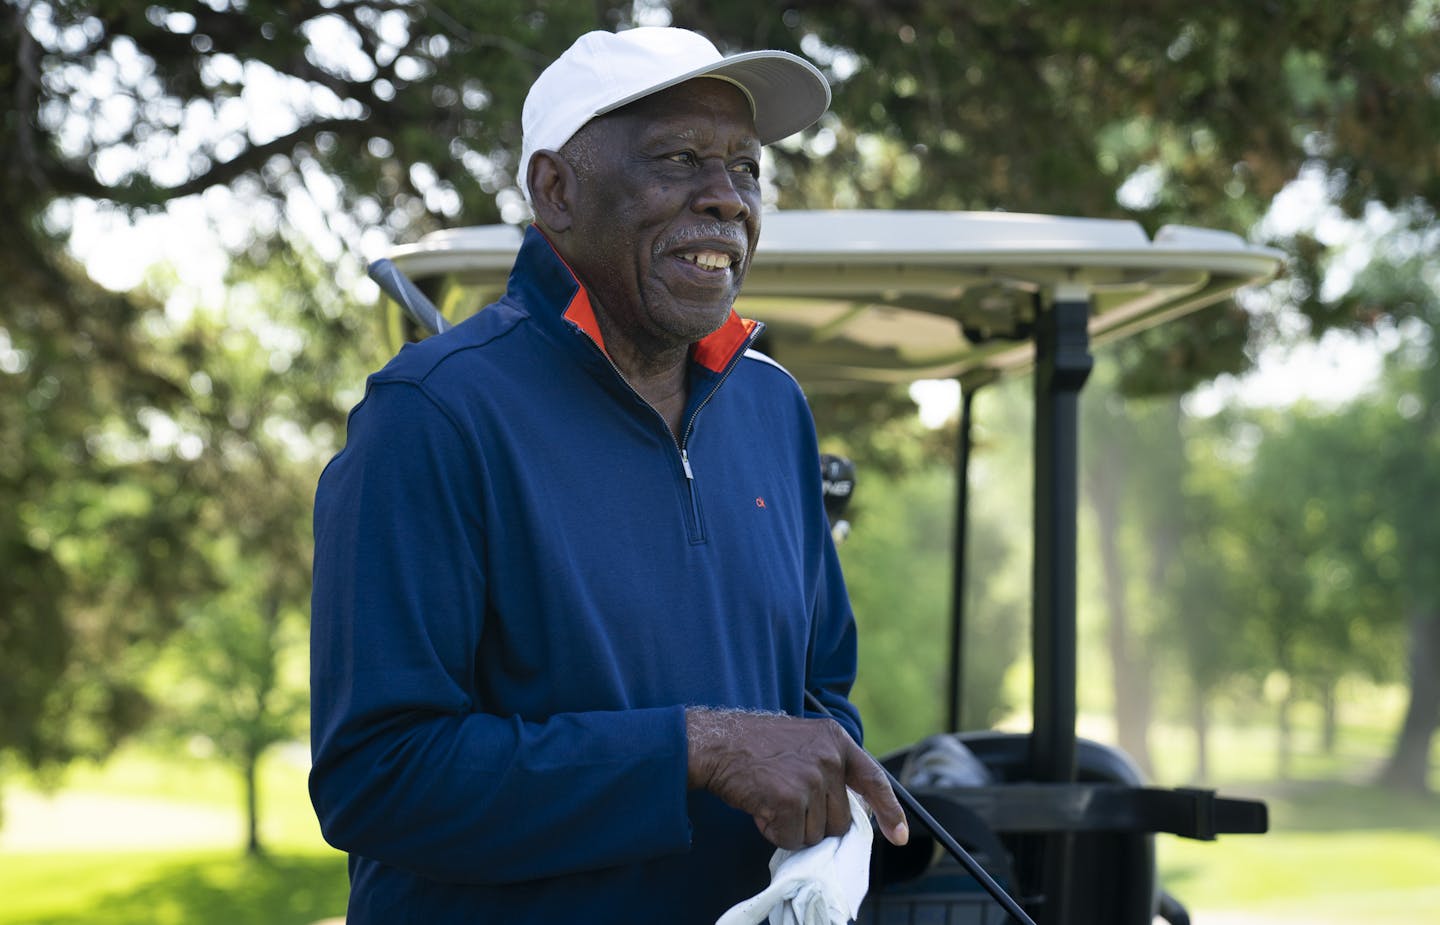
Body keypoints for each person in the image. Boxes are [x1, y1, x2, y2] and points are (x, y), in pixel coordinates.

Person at [309, 26, 907, 923]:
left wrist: (821, 818)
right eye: (679, 158)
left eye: (746, 169)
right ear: (556, 189)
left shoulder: (775, 409)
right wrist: (696, 751)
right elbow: (378, 776)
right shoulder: (431, 415)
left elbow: (822, 698)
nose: (725, 199)